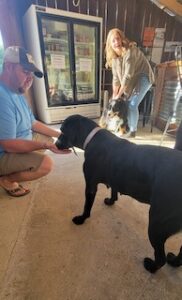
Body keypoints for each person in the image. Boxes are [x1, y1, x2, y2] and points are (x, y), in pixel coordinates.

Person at [0, 46, 71, 197]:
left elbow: (32, 122)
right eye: (25, 72)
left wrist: (60, 135)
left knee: (50, 138)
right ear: (8, 67)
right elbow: (9, 145)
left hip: (16, 142)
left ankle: (20, 168)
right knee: (46, 164)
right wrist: (44, 145)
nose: (30, 79)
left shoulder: (16, 90)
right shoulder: (2, 98)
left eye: (31, 74)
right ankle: (7, 178)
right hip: (4, 153)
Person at [105, 28, 154, 137]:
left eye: (117, 39)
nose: (116, 42)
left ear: (121, 39)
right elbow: (116, 78)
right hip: (131, 80)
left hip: (143, 76)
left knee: (132, 104)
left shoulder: (130, 51)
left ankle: (132, 131)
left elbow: (127, 76)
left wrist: (118, 95)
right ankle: (124, 127)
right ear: (110, 44)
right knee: (124, 103)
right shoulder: (115, 58)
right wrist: (114, 95)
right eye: (113, 40)